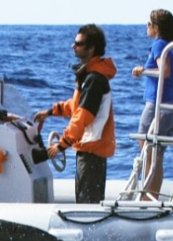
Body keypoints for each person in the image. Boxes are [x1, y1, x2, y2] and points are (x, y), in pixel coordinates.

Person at [33, 24, 117, 204]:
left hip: (91, 151)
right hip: (90, 150)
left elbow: (82, 117)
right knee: (89, 200)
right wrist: (50, 112)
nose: (73, 46)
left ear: (91, 48)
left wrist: (61, 145)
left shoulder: (94, 80)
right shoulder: (90, 77)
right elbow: (76, 106)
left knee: (88, 204)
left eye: (78, 43)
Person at [130, 9, 173, 201]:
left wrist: (142, 70)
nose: (146, 27)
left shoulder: (159, 45)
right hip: (172, 110)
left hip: (156, 107)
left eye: (148, 24)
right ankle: (153, 197)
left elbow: (165, 71)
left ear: (156, 28)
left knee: (147, 151)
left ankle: (146, 199)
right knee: (157, 156)